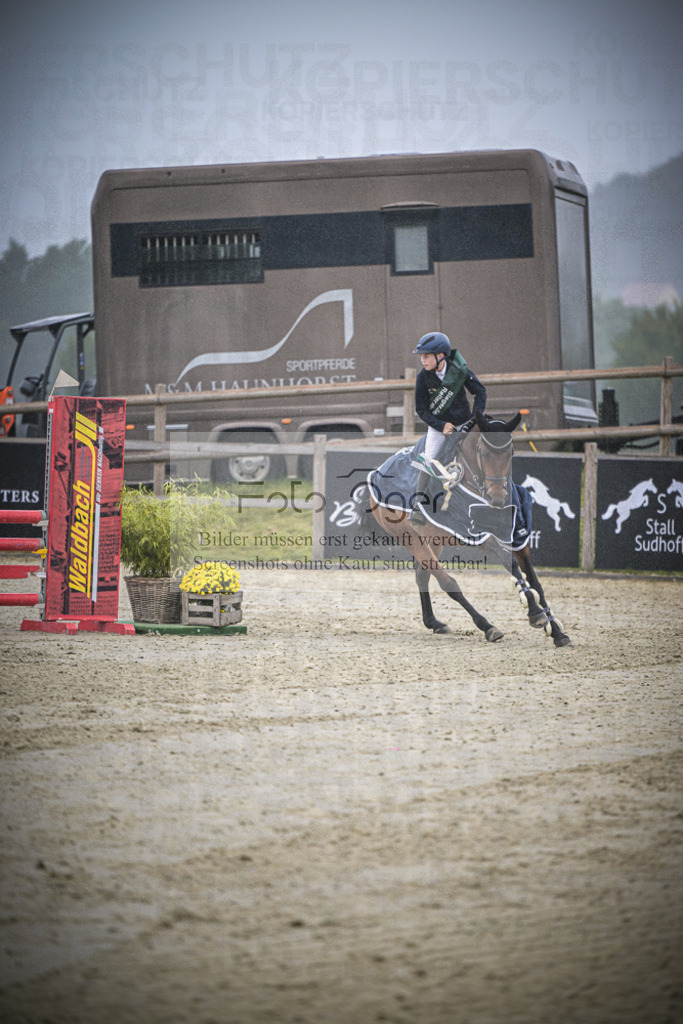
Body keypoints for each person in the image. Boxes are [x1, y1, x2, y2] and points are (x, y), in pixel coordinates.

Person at [409, 331, 487, 524]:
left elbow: (480, 392)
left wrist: (475, 419)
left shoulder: (459, 370)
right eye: (422, 356)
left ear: (440, 355)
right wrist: (441, 425)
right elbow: (421, 409)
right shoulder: (423, 378)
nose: (423, 360)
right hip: (438, 427)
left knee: (486, 452)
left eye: (426, 356)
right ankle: (418, 506)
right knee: (429, 459)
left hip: (465, 424)